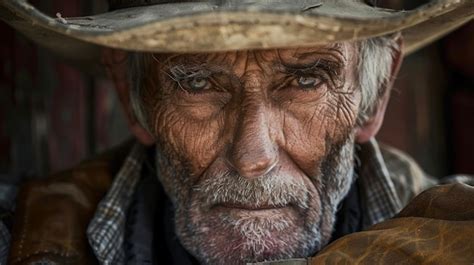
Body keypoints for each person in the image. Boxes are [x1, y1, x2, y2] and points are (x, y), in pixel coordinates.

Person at [1, 0, 473, 264]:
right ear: (131, 92)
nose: (253, 155)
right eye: (199, 83)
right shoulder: (16, 242)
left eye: (306, 80)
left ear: (377, 92)